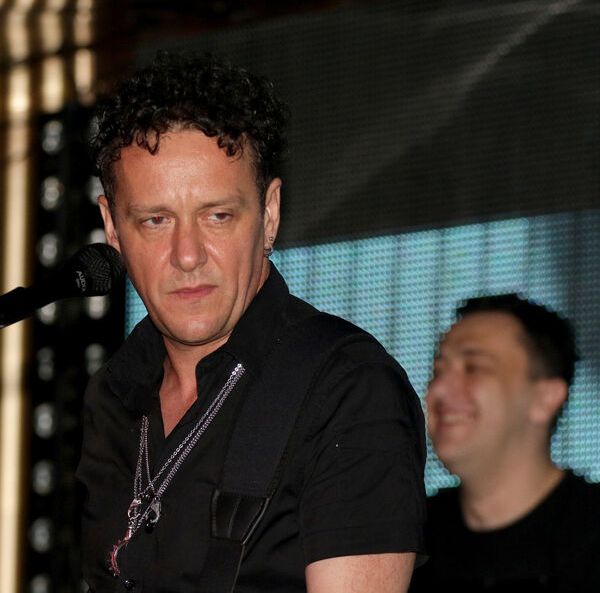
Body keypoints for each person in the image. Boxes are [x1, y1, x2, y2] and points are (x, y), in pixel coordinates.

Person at [76, 51, 427, 593]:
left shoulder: (347, 388)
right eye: (155, 220)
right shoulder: (112, 395)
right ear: (112, 227)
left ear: (269, 213)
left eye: (218, 216)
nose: (187, 254)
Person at [410, 293, 600, 592]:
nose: (439, 390)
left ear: (544, 398)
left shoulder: (590, 533)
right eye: (438, 371)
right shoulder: (408, 543)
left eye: (474, 367)